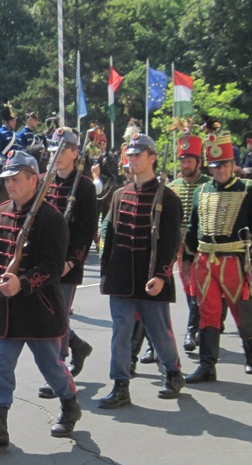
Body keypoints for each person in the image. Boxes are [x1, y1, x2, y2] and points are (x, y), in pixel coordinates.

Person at [0, 150, 80, 455]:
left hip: (39, 309)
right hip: (5, 312)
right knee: (0, 367)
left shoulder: (52, 218)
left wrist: (25, 283)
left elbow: (53, 266)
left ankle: (70, 404)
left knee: (50, 366)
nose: (10, 185)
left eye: (16, 179)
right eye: (8, 179)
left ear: (34, 179)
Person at [97, 133, 184, 408]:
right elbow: (109, 238)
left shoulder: (168, 198)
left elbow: (171, 243)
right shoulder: (120, 195)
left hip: (151, 278)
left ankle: (172, 371)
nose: (132, 159)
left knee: (158, 330)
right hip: (121, 277)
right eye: (130, 155)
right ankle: (120, 384)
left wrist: (162, 275)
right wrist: (104, 273)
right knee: (120, 330)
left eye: (137, 155)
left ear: (152, 158)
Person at [183, 132, 252, 382]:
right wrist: (188, 259)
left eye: (224, 164)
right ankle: (207, 365)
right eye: (215, 165)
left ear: (233, 165)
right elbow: (192, 227)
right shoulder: (202, 191)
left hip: (235, 261)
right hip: (204, 261)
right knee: (207, 311)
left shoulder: (250, 189)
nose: (220, 169)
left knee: (242, 309)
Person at [37, 127, 97, 399]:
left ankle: (58, 372)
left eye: (63, 150)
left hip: (66, 265)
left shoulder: (84, 186)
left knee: (56, 316)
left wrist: (72, 263)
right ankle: (77, 345)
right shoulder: (42, 181)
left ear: (75, 153)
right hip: (42, 261)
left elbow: (86, 230)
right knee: (49, 314)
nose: (57, 156)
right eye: (54, 151)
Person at [168, 133, 211, 351]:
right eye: (183, 161)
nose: (185, 165)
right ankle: (201, 327)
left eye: (189, 161)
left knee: (197, 288)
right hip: (179, 247)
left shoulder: (208, 185)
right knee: (188, 289)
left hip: (201, 246)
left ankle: (193, 330)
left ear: (198, 163)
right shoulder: (173, 186)